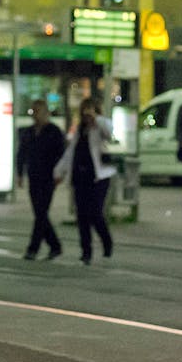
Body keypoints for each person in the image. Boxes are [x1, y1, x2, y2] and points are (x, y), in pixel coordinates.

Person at [53, 97, 115, 265]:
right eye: (84, 111)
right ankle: (86, 251)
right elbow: (70, 153)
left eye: (90, 110)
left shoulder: (101, 126)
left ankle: (107, 242)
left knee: (95, 213)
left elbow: (110, 132)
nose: (87, 115)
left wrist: (97, 119)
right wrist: (59, 172)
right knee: (82, 216)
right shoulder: (80, 130)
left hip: (99, 176)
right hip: (81, 177)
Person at [15, 99, 66, 260]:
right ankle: (55, 245)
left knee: (41, 213)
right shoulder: (28, 132)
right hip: (34, 176)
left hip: (49, 177)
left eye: (38, 112)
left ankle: (33, 248)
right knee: (39, 213)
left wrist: (60, 174)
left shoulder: (54, 132)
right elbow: (21, 153)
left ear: (46, 113)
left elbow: (61, 155)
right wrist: (20, 173)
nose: (35, 116)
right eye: (33, 112)